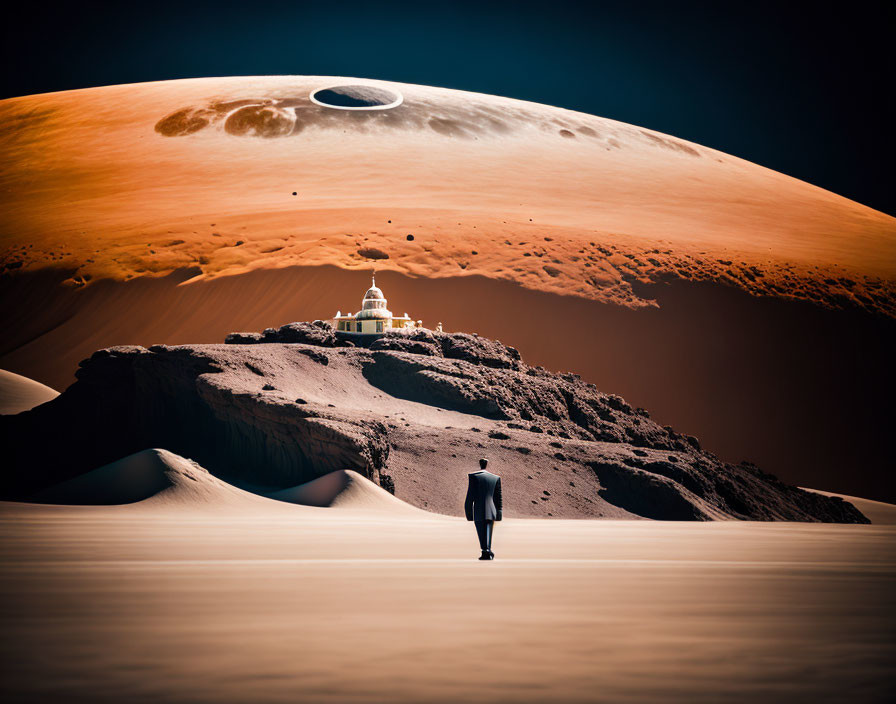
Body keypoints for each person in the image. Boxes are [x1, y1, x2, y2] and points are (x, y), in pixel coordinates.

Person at [464, 458, 502, 560]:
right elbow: (498, 498)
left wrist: (469, 513)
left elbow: (470, 496)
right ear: (487, 464)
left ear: (480, 464)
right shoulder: (495, 478)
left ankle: (485, 551)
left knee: (481, 531)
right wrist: (499, 513)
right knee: (488, 530)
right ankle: (487, 550)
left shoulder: (473, 477)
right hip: (492, 510)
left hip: (478, 510)